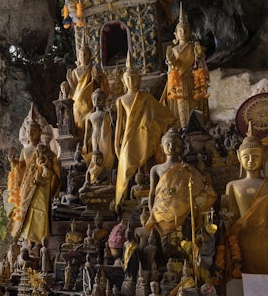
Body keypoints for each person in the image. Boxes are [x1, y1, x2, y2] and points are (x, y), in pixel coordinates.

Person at [114, 57, 176, 209]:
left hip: (145, 137)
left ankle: (150, 192)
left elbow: (163, 114)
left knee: (147, 164)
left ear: (139, 79)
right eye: (128, 79)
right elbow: (119, 124)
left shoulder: (146, 97)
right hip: (128, 138)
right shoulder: (121, 100)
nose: (131, 81)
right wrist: (117, 143)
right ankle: (123, 198)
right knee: (126, 166)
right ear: (124, 81)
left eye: (134, 78)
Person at [146, 128, 217, 236]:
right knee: (166, 243)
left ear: (182, 147)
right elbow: (152, 193)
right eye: (167, 144)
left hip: (183, 211)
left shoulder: (187, 169)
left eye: (176, 144)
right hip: (161, 211)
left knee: (183, 239)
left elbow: (200, 185)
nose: (171, 147)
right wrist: (152, 213)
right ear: (161, 147)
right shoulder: (156, 169)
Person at [7, 113, 61, 244]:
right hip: (27, 185)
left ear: (40, 132)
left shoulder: (43, 149)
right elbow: (22, 167)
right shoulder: (24, 151)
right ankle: (28, 240)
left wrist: (45, 163)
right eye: (28, 130)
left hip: (40, 186)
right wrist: (13, 162)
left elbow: (52, 162)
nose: (31, 133)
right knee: (26, 213)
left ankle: (39, 240)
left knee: (38, 213)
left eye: (34, 130)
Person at [224, 123, 268, 274]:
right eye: (246, 156)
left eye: (256, 156)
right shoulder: (233, 186)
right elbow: (231, 217)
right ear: (238, 157)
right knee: (245, 279)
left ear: (265, 156)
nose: (250, 160)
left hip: (265, 239)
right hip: (242, 240)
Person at [162, 4, 210, 129]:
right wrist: (170, 64)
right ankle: (183, 128)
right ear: (175, 34)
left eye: (185, 30)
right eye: (180, 30)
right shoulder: (172, 50)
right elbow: (170, 69)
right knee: (181, 106)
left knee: (195, 104)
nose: (183, 32)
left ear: (190, 32)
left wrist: (199, 58)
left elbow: (201, 65)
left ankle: (197, 128)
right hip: (179, 83)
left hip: (192, 80)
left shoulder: (195, 48)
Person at [67, 44, 110, 132]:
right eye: (81, 54)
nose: (83, 56)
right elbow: (73, 90)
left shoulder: (95, 70)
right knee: (78, 124)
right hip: (77, 103)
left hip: (91, 102)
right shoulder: (75, 72)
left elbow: (101, 88)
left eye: (85, 54)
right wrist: (70, 83)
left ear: (90, 56)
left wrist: (96, 79)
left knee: (91, 125)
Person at [82, 88, 115, 170]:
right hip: (95, 136)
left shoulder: (107, 114)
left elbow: (113, 126)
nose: (96, 101)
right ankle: (96, 172)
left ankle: (107, 171)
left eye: (99, 99)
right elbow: (87, 132)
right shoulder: (90, 116)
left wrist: (111, 116)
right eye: (94, 99)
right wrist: (85, 143)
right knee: (96, 154)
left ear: (104, 100)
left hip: (106, 136)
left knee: (106, 154)